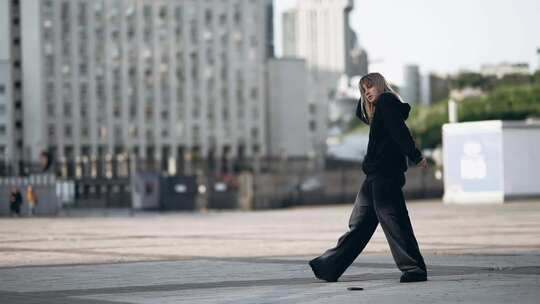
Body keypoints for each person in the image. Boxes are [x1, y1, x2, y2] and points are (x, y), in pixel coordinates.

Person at [309, 72, 428, 283]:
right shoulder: (378, 108)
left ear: (381, 85)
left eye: (370, 87)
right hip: (374, 174)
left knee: (394, 220)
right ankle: (329, 266)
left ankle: (414, 268)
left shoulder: (387, 102)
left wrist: (416, 156)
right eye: (363, 90)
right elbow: (360, 114)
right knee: (360, 223)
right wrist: (364, 94)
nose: (367, 92)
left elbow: (400, 131)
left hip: (386, 173)